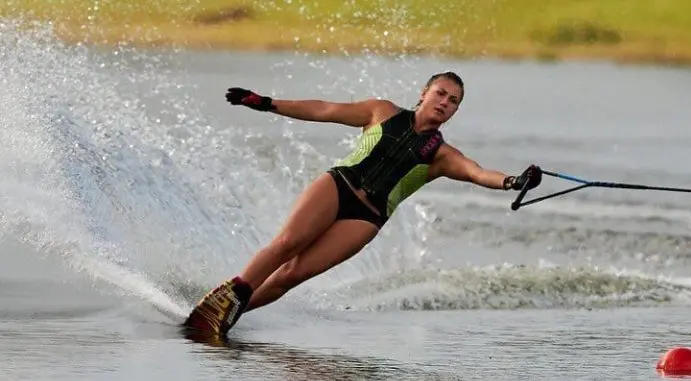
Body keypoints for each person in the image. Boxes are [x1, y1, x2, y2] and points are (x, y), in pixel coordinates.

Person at [182, 71, 542, 338]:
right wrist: (267, 104)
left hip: (367, 217)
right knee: (286, 245)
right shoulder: (381, 111)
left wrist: (514, 181)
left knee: (293, 274)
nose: (445, 103)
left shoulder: (443, 156)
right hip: (339, 185)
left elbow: (478, 174)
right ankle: (225, 300)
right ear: (424, 93)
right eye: (441, 94)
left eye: (453, 102)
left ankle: (226, 314)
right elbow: (324, 109)